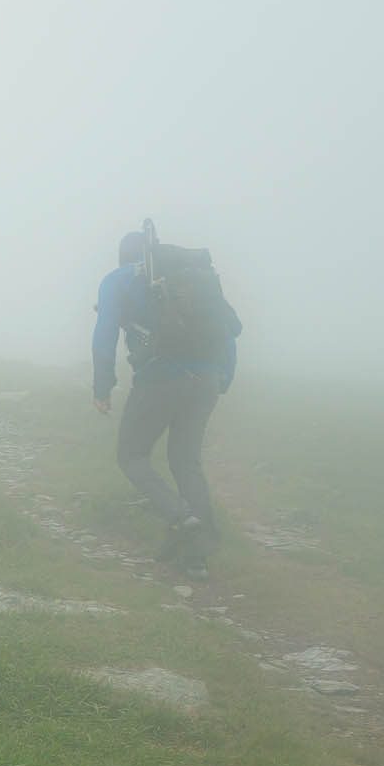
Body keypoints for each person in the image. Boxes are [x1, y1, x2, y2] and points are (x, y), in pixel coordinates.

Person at [92, 229, 242, 580]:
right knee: (185, 459)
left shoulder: (119, 280)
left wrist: (102, 386)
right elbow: (223, 331)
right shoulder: (193, 282)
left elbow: (104, 335)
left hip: (159, 378)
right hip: (207, 379)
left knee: (131, 455)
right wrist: (222, 378)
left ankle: (179, 518)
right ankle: (196, 559)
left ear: (122, 256)